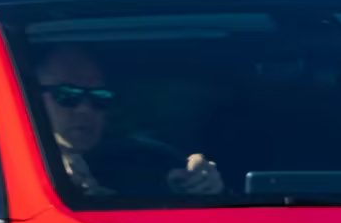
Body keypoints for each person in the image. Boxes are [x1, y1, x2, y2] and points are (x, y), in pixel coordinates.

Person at [34, 45, 225, 198]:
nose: (84, 109)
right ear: (31, 96)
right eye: (67, 95)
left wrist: (206, 187)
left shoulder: (150, 161)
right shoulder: (11, 173)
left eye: (100, 97)